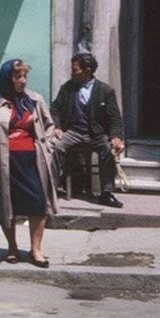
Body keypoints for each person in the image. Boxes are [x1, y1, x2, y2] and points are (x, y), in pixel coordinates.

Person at [0, 59, 59, 268]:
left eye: (24, 76)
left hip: (32, 160)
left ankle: (36, 250)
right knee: (6, 205)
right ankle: (12, 248)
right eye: (17, 76)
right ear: (7, 78)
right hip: (5, 162)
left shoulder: (35, 100)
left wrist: (47, 146)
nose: (23, 81)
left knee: (39, 203)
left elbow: (50, 126)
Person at [50, 52, 126, 208]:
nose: (72, 72)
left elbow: (115, 118)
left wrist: (116, 137)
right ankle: (50, 189)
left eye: (75, 69)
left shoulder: (105, 91)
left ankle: (106, 193)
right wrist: (57, 127)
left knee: (107, 149)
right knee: (56, 147)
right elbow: (55, 108)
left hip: (96, 134)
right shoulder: (67, 88)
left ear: (88, 71)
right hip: (73, 132)